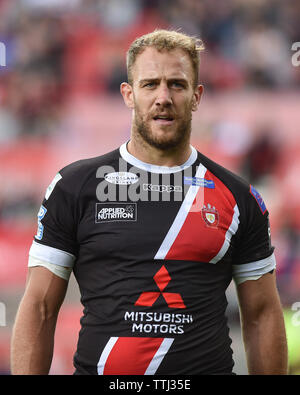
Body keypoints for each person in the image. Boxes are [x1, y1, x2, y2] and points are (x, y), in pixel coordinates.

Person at [11, 29, 288, 375]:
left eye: (176, 84)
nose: (163, 97)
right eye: (149, 84)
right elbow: (39, 307)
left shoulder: (239, 197)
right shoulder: (74, 187)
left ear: (197, 95)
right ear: (128, 94)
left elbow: (262, 314)